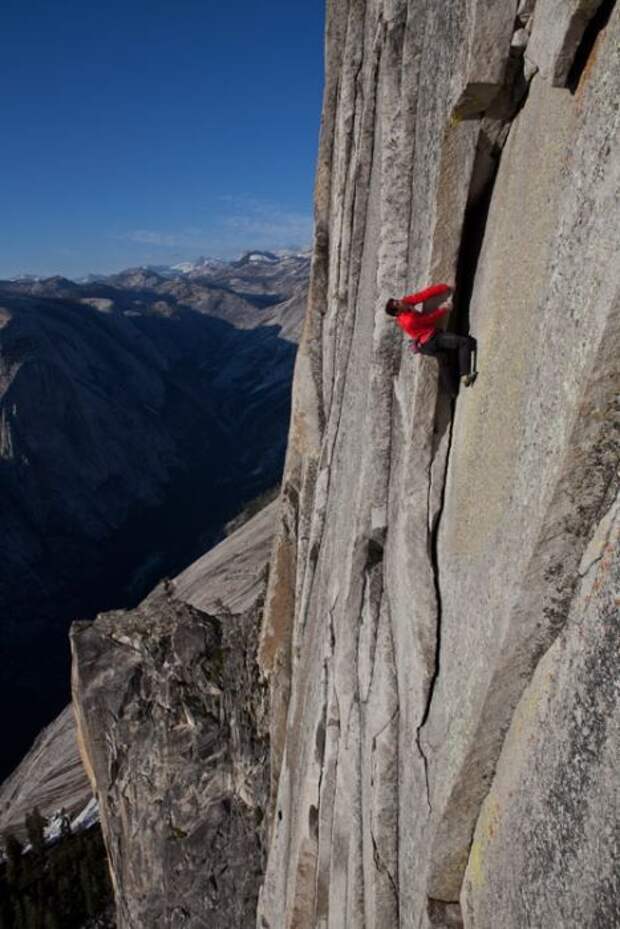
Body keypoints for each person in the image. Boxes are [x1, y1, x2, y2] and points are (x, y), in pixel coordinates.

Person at [385, 283, 477, 390]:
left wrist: (444, 288)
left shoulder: (406, 303)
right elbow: (428, 319)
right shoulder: (408, 320)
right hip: (431, 341)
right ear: (397, 313)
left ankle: (452, 392)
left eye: (397, 301)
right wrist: (443, 309)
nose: (400, 302)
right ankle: (465, 376)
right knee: (463, 343)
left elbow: (424, 295)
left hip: (425, 342)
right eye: (397, 304)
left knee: (444, 360)